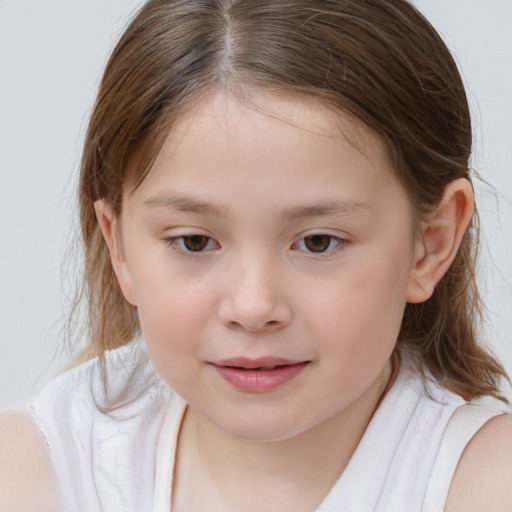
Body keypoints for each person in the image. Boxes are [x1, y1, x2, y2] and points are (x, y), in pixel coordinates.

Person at [1, 0, 511, 510]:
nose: (253, 307)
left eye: (318, 242)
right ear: (120, 248)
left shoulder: (485, 483)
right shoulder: (36, 470)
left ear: (431, 242)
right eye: (194, 242)